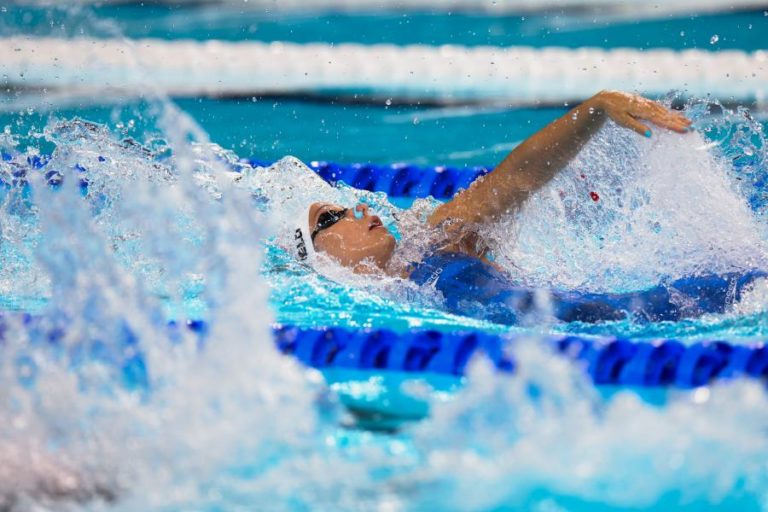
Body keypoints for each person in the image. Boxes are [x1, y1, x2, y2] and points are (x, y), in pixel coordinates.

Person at [290, 90, 765, 324]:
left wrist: (595, 109)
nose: (357, 212)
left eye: (348, 206)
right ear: (316, 259)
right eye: (329, 219)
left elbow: (514, 180)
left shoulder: (433, 239)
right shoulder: (353, 316)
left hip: (623, 315)